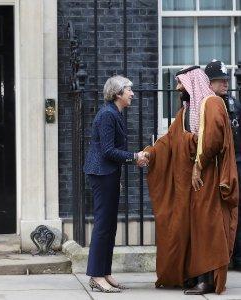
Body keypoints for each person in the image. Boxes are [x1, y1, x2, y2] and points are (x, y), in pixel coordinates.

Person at [143, 67, 239, 295]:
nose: (178, 88)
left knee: (207, 227)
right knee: (192, 227)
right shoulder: (186, 110)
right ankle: (192, 275)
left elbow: (213, 140)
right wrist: (151, 153)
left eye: (181, 84)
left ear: (192, 85)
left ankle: (207, 279)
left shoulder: (212, 103)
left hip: (208, 177)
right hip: (194, 182)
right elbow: (170, 140)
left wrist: (198, 165)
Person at [83, 75, 148, 293]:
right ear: (118, 93)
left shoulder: (115, 113)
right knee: (103, 225)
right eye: (129, 89)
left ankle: (105, 272)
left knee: (110, 225)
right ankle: (95, 275)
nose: (132, 93)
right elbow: (108, 150)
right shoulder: (107, 115)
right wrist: (134, 156)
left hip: (108, 174)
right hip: (101, 174)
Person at [205, 59, 241, 271]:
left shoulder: (234, 104)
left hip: (236, 162)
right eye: (220, 80)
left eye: (226, 80)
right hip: (217, 166)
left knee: (235, 211)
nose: (225, 84)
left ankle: (236, 256)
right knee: (217, 213)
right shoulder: (206, 105)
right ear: (210, 82)